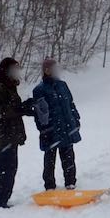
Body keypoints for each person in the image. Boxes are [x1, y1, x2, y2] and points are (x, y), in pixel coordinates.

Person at [0, 58, 35, 208]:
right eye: (14, 69)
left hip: (10, 136)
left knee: (10, 169)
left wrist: (25, 107)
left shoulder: (9, 87)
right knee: (2, 170)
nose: (17, 72)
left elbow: (12, 108)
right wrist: (19, 109)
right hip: (2, 137)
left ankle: (2, 200)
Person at [33, 58, 81, 191]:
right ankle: (49, 185)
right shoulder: (39, 90)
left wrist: (76, 119)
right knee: (50, 158)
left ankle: (70, 182)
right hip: (51, 130)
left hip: (67, 127)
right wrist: (43, 129)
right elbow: (39, 113)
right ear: (46, 71)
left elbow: (71, 104)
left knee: (68, 156)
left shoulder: (63, 85)